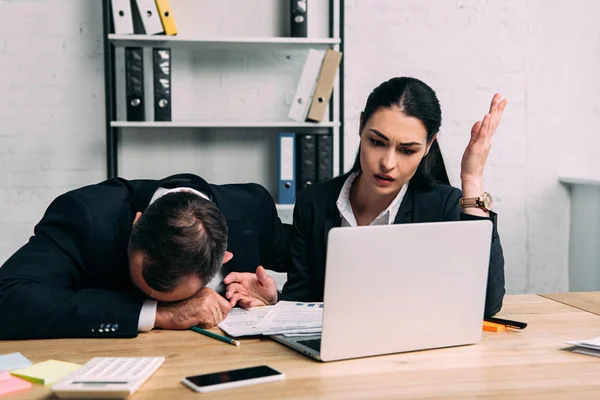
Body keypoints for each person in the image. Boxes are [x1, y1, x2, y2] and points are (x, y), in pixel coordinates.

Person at [224, 77, 507, 317]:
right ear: (361, 126)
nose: (388, 163)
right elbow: (304, 300)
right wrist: (275, 301)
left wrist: (472, 180)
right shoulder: (315, 203)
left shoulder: (442, 206)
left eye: (407, 150)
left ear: (428, 145)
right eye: (377, 142)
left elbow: (486, 304)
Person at [0, 173, 291, 339]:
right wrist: (160, 314)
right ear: (135, 224)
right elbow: (9, 297)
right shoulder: (85, 215)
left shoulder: (253, 209)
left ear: (223, 257)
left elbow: (312, 266)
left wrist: (272, 301)